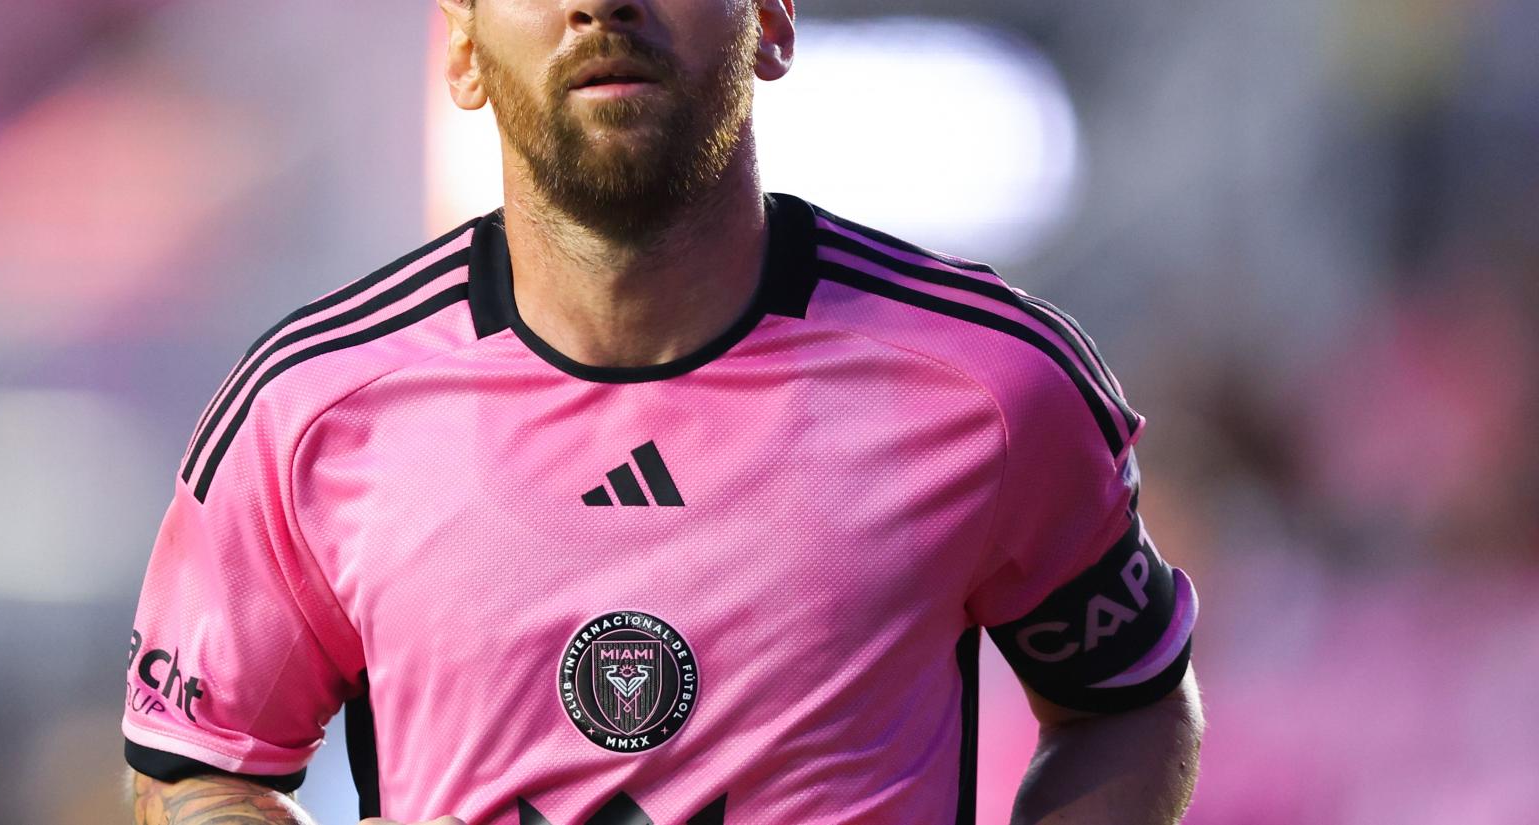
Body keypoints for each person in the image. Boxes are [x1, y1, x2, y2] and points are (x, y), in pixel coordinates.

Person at [122, 1, 1203, 823]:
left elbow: (1127, 702)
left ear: (771, 19)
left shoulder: (993, 383)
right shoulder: (304, 416)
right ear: (459, 45)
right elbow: (198, 772)